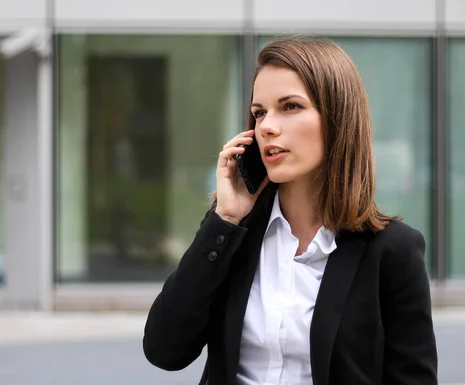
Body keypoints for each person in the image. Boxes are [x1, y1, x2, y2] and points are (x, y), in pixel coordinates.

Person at [143, 36, 438, 385]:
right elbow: (164, 350)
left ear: (337, 119)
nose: (266, 126)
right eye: (258, 112)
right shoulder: (233, 237)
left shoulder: (391, 251)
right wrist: (224, 219)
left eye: (290, 107)